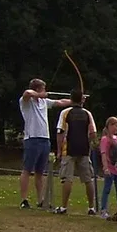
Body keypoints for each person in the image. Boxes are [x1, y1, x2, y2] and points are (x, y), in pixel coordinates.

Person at [18, 79, 71, 209]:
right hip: (32, 139)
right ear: (37, 89)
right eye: (43, 89)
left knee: (40, 172)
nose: (45, 91)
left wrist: (75, 101)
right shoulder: (26, 102)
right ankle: (24, 200)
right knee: (27, 170)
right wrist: (38, 94)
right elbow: (27, 93)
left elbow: (60, 102)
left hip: (44, 139)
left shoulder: (44, 102)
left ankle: (41, 199)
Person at [53, 92, 98, 215]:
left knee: (67, 178)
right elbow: (93, 133)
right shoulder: (87, 113)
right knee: (88, 179)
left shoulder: (65, 113)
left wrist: (58, 150)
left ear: (71, 99)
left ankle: (63, 207)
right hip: (84, 150)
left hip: (69, 149)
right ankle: (91, 208)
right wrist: (90, 144)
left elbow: (60, 132)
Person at [97, 116, 117, 220]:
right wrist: (105, 168)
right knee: (107, 189)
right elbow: (104, 154)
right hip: (110, 169)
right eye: (116, 126)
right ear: (110, 126)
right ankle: (103, 210)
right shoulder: (105, 139)